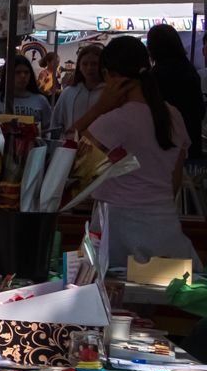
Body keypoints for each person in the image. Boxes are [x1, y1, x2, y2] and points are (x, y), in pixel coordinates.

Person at [72, 35, 192, 269]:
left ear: (109, 75)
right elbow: (174, 180)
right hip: (164, 227)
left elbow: (66, 155)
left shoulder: (114, 120)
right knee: (156, 301)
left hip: (118, 231)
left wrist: (99, 107)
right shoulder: (173, 115)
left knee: (114, 302)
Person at [146, 23, 205, 156]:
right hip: (191, 138)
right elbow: (199, 109)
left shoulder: (155, 76)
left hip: (165, 142)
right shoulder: (190, 70)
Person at [0, 56, 52, 131]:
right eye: (17, 72)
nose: (23, 76)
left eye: (26, 72)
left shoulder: (41, 100)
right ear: (8, 74)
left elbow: (48, 130)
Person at [52, 42, 106, 138]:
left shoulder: (110, 93)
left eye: (94, 64)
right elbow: (56, 124)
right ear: (79, 67)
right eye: (85, 64)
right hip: (71, 149)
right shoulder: (68, 93)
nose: (89, 68)